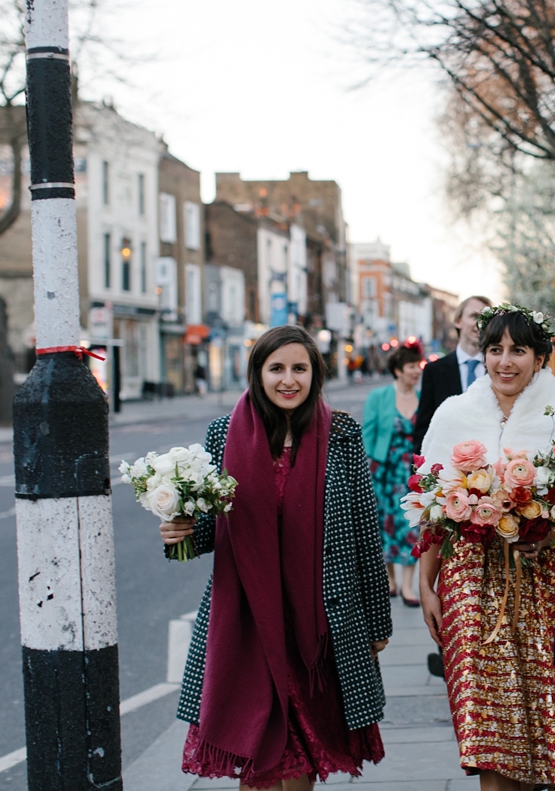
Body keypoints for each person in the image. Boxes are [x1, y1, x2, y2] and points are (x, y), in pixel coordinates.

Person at [159, 325, 392, 791]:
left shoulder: (342, 434)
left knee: (300, 755)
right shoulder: (224, 434)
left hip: (318, 623)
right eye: (277, 368)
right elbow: (208, 531)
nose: (289, 380)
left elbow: (366, 534)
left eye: (300, 369)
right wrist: (176, 530)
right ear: (258, 374)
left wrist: (377, 626)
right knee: (259, 749)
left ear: (315, 374)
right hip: (247, 617)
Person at [417, 304, 555, 791]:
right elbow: (432, 510)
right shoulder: (453, 414)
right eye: (495, 349)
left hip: (547, 586)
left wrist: (550, 530)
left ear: (541, 358)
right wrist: (425, 586)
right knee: (488, 731)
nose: (505, 361)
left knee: (547, 725)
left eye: (519, 350)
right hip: (470, 584)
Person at [362, 342, 424, 607]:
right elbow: (367, 432)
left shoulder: (423, 398)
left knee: (411, 525)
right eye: (411, 366)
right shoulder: (379, 396)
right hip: (384, 473)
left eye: (418, 366)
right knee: (384, 525)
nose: (416, 371)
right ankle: (390, 580)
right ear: (398, 370)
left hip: (411, 473)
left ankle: (408, 585)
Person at [411, 295, 493, 454]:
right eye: (474, 316)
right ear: (458, 321)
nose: (480, 323)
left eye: (486, 318)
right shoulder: (434, 371)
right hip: (446, 465)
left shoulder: (498, 369)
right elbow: (424, 427)